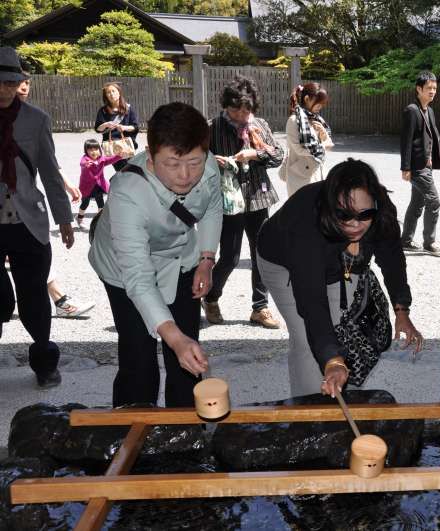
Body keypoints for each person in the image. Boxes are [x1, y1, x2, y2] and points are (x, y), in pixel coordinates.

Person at [89, 102, 222, 407]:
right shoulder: (128, 192)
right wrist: (171, 338)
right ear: (150, 155)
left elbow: (213, 208)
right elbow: (137, 277)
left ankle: (186, 432)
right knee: (139, 359)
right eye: (172, 164)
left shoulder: (209, 165)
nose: (186, 175)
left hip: (181, 258)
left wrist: (206, 260)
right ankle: (133, 432)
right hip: (124, 269)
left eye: (194, 161)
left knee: (188, 352)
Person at [257, 159, 422, 398]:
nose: (355, 224)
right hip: (281, 261)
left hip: (340, 263)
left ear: (375, 202)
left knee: (344, 329)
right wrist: (332, 359)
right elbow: (312, 302)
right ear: (330, 207)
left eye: (364, 215)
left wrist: (401, 309)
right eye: (344, 215)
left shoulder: (382, 208)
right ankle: (312, 413)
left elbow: (392, 258)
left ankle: (346, 392)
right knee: (307, 336)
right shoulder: (306, 224)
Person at [0, 47, 75, 387]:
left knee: (34, 296)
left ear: (20, 83)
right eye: (0, 82)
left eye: (11, 82)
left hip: (28, 219)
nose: (4, 89)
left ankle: (44, 363)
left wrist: (64, 218)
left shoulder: (36, 119)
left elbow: (49, 172)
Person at [202, 76, 284, 329]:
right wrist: (212, 160)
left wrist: (255, 153)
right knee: (230, 256)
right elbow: (196, 158)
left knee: (263, 254)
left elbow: (278, 155)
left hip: (258, 197)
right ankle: (211, 297)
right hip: (229, 199)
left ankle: (260, 307)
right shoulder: (212, 127)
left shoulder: (259, 125)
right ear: (226, 105)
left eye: (246, 109)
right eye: (235, 108)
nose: (240, 114)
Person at [15, 69, 95, 318]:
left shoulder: (35, 118)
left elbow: (46, 162)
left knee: (37, 253)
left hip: (23, 206)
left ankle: (60, 301)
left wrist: (67, 184)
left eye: (27, 83)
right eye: (18, 82)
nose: (24, 87)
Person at [400, 71, 440, 256]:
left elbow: (436, 137)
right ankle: (429, 242)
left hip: (428, 166)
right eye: (429, 88)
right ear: (419, 89)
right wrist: (405, 168)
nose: (432, 91)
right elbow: (406, 141)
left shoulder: (429, 110)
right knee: (434, 202)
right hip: (417, 167)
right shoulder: (412, 110)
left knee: (417, 203)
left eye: (434, 88)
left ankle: (406, 240)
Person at [280, 82, 332, 196]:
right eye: (319, 104)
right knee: (302, 211)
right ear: (307, 99)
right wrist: (324, 145)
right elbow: (299, 149)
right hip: (300, 177)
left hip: (316, 173)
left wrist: (324, 136)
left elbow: (323, 144)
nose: (320, 107)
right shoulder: (294, 120)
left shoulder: (314, 119)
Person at [94, 82, 139, 171]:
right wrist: (106, 124)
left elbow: (135, 127)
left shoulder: (128, 108)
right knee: (122, 171)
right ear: (106, 96)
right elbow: (98, 129)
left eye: (113, 91)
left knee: (128, 171)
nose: (111, 94)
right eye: (108, 92)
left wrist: (124, 127)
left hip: (126, 146)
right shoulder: (103, 111)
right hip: (112, 147)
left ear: (119, 92)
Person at [76, 138, 120, 228]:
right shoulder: (85, 159)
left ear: (99, 149)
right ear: (86, 151)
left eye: (95, 149)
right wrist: (86, 165)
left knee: (101, 203)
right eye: (90, 149)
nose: (93, 151)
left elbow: (111, 159)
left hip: (99, 186)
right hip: (87, 187)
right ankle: (79, 218)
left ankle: (99, 221)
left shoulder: (102, 159)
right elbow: (82, 163)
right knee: (85, 204)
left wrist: (119, 156)